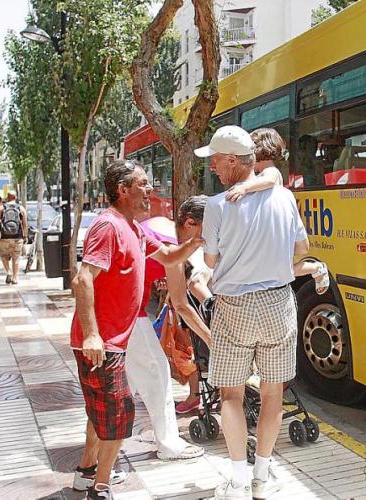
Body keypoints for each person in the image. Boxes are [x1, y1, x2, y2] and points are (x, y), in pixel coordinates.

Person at [70, 160, 204, 500]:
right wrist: (92, 334)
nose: (150, 190)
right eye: (142, 184)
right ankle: (100, 488)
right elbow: (83, 279)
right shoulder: (109, 226)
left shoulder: (134, 228)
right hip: (103, 342)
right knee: (119, 415)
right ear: (122, 190)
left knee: (101, 412)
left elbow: (170, 257)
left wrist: (197, 240)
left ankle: (87, 472)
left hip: (113, 340)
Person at [195, 125, 310, 500]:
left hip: (235, 306)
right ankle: (262, 477)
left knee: (231, 395)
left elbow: (210, 260)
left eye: (215, 160)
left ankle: (238, 481)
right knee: (273, 393)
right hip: (278, 302)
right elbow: (302, 249)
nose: (212, 167)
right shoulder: (285, 198)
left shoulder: (217, 205)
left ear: (232, 160)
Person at [124, 206, 211, 461]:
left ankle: (104, 448)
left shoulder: (161, 224)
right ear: (190, 223)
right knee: (157, 373)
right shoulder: (173, 246)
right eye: (208, 230)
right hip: (129, 313)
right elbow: (182, 303)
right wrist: (210, 337)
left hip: (120, 311)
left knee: (125, 384)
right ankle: (169, 444)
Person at [226, 128, 329, 294]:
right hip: (271, 229)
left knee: (284, 270)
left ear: (259, 151)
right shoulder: (263, 173)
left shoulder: (271, 172)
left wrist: (244, 188)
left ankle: (316, 267)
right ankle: (315, 268)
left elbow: (269, 181)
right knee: (281, 270)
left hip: (274, 229)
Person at [0, 191, 27, 285]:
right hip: (17, 237)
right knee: (16, 258)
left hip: (4, 237)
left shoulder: (1, 208)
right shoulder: (21, 208)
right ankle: (15, 278)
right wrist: (25, 236)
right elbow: (25, 224)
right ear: (16, 197)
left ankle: (8, 272)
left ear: (7, 197)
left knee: (3, 256)